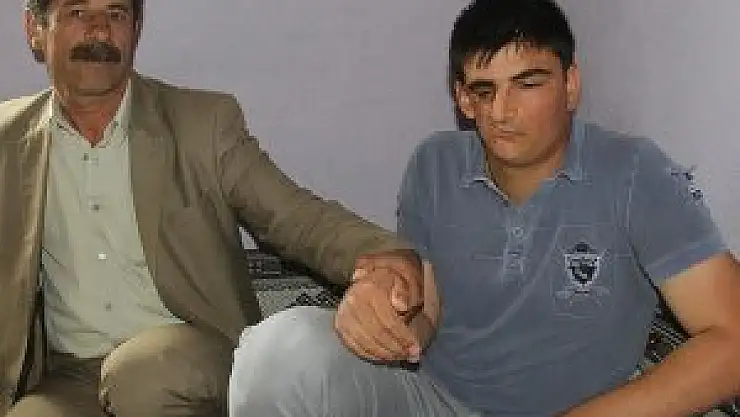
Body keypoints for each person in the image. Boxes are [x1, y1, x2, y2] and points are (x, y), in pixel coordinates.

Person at [228, 0, 740, 416]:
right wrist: (381, 316)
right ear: (463, 99)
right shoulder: (434, 164)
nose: (502, 111)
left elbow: (732, 341)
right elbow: (427, 317)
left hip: (581, 409)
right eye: (484, 90)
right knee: (276, 350)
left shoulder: (635, 173)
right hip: (435, 401)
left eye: (528, 83)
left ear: (571, 84)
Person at [0, 0, 426, 416]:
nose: (100, 30)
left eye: (117, 14)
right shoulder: (8, 139)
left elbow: (295, 217)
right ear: (35, 30)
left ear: (136, 29)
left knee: (141, 377)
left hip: (194, 355)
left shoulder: (202, 124)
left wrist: (382, 256)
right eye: (77, 13)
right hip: (70, 377)